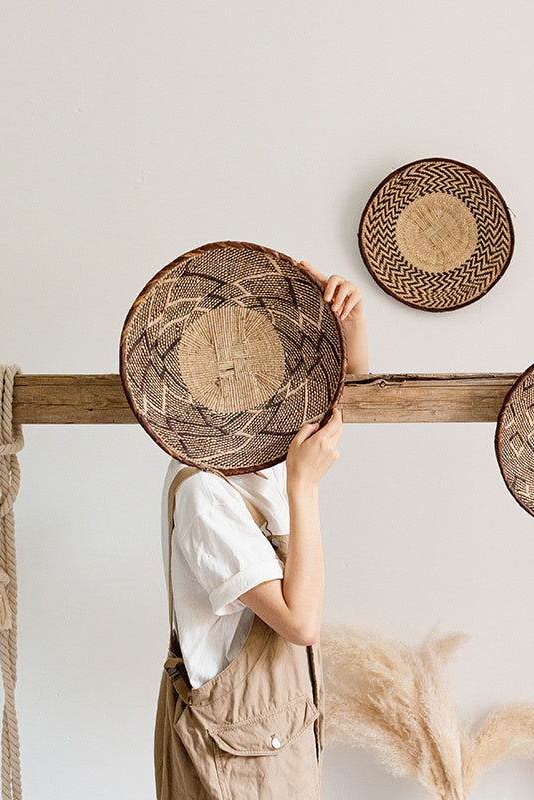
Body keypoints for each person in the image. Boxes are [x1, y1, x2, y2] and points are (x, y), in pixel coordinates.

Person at [154, 262, 369, 799]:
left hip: (277, 732)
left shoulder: (261, 455)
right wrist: (305, 491)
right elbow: (300, 623)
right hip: (234, 754)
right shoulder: (205, 491)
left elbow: (349, 398)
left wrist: (351, 324)